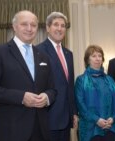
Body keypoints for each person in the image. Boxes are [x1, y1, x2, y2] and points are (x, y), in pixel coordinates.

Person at [0, 10, 56, 141]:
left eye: (33, 25)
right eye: (24, 24)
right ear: (14, 27)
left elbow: (53, 89)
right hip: (11, 130)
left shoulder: (43, 56)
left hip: (41, 130)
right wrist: (21, 97)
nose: (29, 28)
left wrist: (47, 97)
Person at [36, 12, 78, 141]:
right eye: (56, 25)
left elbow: (69, 85)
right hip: (48, 116)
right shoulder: (38, 50)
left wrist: (74, 112)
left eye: (63, 25)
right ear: (48, 28)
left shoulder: (68, 54)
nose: (59, 28)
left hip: (66, 118)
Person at [75, 45, 115, 141]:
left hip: (110, 128)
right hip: (90, 129)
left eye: (99, 56)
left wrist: (113, 119)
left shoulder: (110, 80)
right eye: (94, 56)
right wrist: (96, 120)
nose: (97, 58)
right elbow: (81, 105)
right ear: (87, 60)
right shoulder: (81, 80)